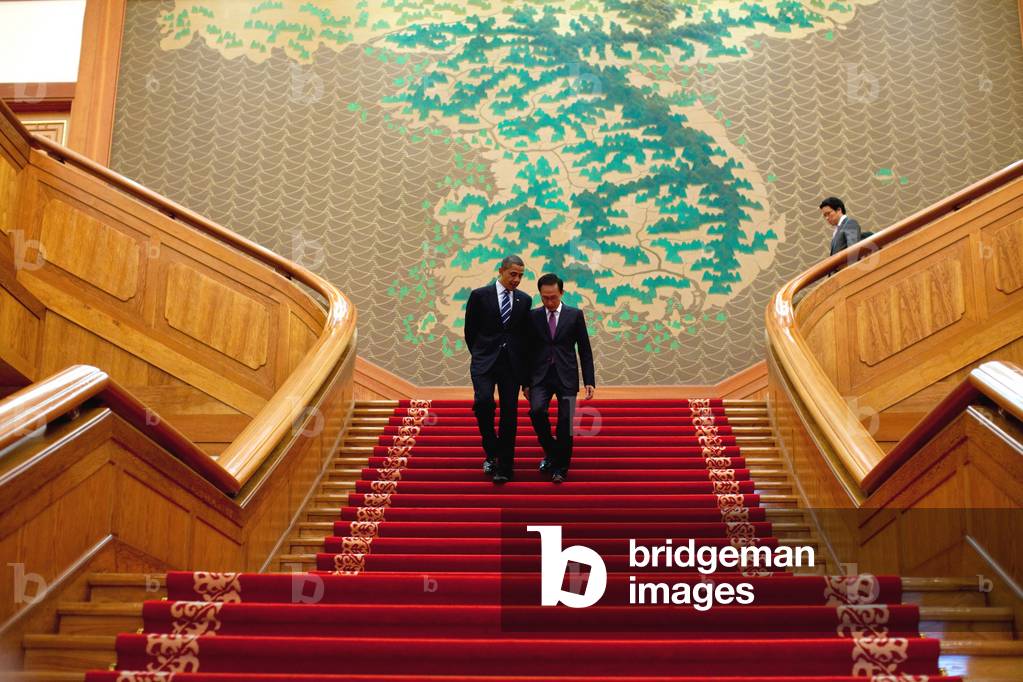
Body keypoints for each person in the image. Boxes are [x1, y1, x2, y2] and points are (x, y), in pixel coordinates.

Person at [463, 256, 533, 484]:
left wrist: (526, 375)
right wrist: (481, 354)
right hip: (484, 361)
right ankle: (491, 448)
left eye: (521, 275)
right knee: (483, 403)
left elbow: (524, 338)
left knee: (509, 414)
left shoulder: (525, 300)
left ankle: (505, 465)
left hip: (511, 365)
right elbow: (470, 331)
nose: (517, 279)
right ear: (501, 271)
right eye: (513, 274)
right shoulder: (479, 296)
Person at [524, 273, 596, 484]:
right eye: (545, 297)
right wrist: (525, 382)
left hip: (567, 376)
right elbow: (526, 352)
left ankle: (561, 468)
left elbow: (584, 350)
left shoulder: (574, 315)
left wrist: (589, 380)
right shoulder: (533, 316)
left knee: (565, 423)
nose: (549, 302)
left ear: (562, 293)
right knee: (536, 411)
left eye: (553, 297)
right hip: (540, 376)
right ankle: (552, 450)